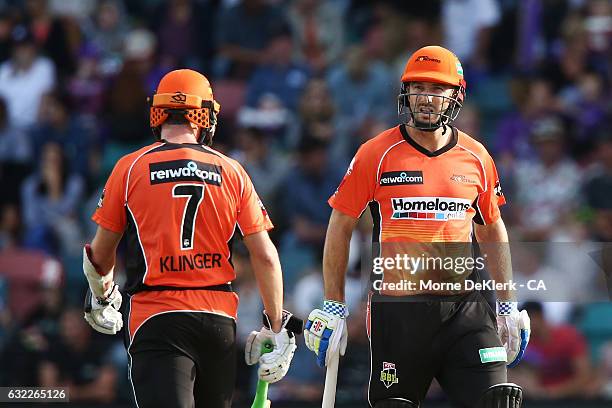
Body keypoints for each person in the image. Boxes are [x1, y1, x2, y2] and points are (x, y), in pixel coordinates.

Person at [304, 46, 530, 408]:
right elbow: (340, 224)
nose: (426, 97)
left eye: (437, 89)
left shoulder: (476, 156)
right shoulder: (375, 154)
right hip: (399, 313)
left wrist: (507, 303)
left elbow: (491, 228)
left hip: (464, 310)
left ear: (456, 95)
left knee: (497, 402)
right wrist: (333, 304)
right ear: (406, 92)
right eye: (418, 87)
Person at [81, 69, 297, 407]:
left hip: (156, 316)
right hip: (218, 319)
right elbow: (266, 256)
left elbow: (100, 253)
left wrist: (102, 295)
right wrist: (276, 326)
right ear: (205, 115)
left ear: (158, 112)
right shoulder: (232, 170)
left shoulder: (130, 167)